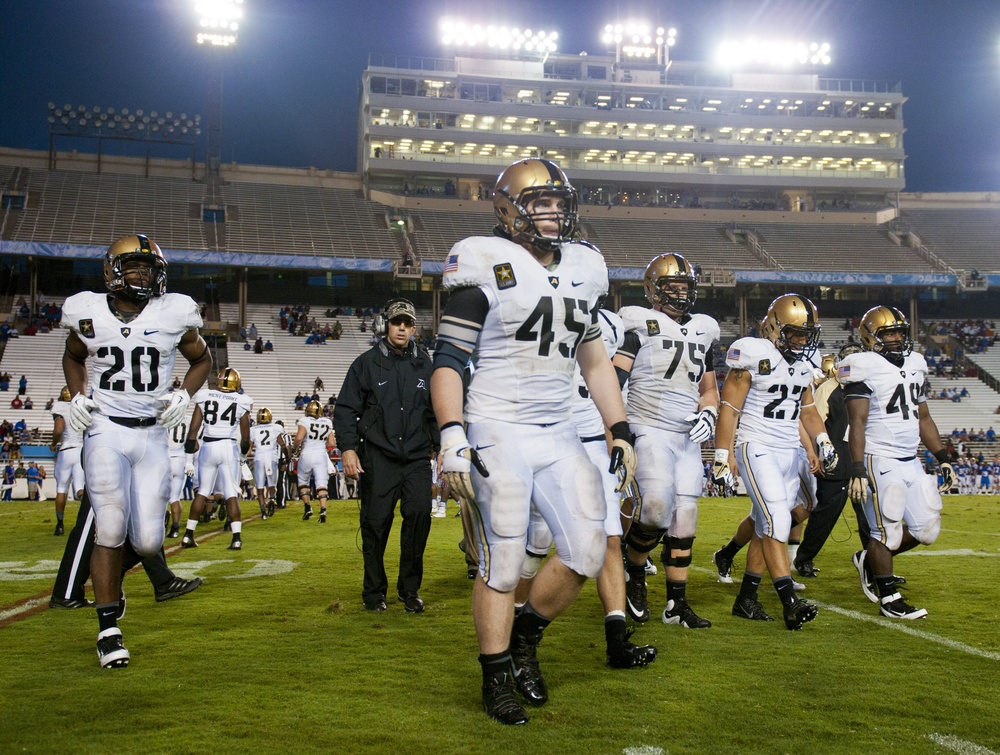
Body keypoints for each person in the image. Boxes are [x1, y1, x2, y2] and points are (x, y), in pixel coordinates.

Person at [430, 158, 637, 725]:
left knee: (588, 550)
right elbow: (448, 360)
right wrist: (452, 434)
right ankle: (495, 675)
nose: (553, 213)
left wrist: (619, 427)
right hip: (498, 426)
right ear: (508, 209)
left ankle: (523, 638)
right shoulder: (481, 259)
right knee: (503, 560)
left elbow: (594, 359)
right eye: (539, 203)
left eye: (558, 203)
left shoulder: (584, 266)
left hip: (560, 429)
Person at [61, 232, 212, 667]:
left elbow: (202, 360)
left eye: (149, 268)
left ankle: (111, 586)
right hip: (105, 429)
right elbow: (73, 356)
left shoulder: (173, 313)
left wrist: (185, 393)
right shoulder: (87, 313)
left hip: (152, 435)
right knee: (109, 525)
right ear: (113, 271)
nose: (143, 274)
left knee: (147, 540)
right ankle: (108, 629)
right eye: (134, 267)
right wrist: (77, 395)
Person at [712, 293, 838, 630]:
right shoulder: (754, 354)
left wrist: (822, 441)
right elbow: (730, 408)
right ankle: (789, 602)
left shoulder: (804, 365)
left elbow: (807, 409)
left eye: (805, 335)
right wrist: (722, 455)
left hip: (787, 450)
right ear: (774, 328)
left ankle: (746, 599)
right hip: (757, 446)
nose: (801, 341)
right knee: (777, 521)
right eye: (795, 333)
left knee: (765, 523)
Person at [612, 252, 720, 630]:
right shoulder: (638, 323)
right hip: (648, 427)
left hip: (687, 436)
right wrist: (616, 432)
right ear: (653, 290)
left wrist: (709, 411)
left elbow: (709, 389)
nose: (679, 293)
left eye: (684, 286)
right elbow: (615, 380)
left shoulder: (704, 330)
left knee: (685, 520)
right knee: (656, 509)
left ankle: (676, 605)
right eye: (671, 286)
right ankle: (635, 568)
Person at [841, 305, 954, 619]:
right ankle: (889, 597)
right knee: (884, 531)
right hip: (879, 457)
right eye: (888, 332)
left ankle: (869, 560)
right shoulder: (862, 365)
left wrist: (942, 457)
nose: (895, 338)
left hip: (911, 459)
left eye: (899, 332)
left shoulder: (916, 363)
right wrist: (858, 467)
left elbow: (924, 416)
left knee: (926, 529)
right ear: (870, 336)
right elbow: (857, 422)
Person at [334, 298, 439, 614]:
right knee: (375, 524)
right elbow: (345, 410)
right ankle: (374, 592)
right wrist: (349, 448)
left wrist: (444, 446)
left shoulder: (427, 365)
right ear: (386, 326)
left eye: (407, 323)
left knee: (419, 516)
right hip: (378, 458)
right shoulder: (365, 364)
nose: (402, 328)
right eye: (397, 323)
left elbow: (436, 412)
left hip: (418, 458)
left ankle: (410, 591)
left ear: (414, 328)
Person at [49, 490, 202, 611]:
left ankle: (163, 580)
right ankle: (66, 592)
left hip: (124, 455)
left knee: (141, 516)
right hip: (105, 457)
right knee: (90, 521)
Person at [792, 347, 864, 577]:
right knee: (825, 514)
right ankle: (803, 558)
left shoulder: (867, 388)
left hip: (861, 460)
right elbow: (813, 423)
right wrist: (817, 454)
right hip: (837, 460)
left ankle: (874, 563)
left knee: (870, 517)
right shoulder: (829, 389)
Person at [180, 367, 252, 551]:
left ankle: (188, 535)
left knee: (203, 491)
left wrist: (189, 460)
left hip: (207, 446)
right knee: (230, 492)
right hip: (227, 447)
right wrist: (243, 457)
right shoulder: (241, 401)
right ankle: (236, 538)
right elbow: (245, 438)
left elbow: (193, 432)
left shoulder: (205, 396)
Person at [50, 386, 85, 535]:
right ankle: (85, 524)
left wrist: (53, 443)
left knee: (61, 488)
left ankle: (60, 525)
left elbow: (58, 430)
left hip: (66, 450)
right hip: (81, 450)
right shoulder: (82, 405)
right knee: (80, 490)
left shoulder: (59, 406)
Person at [293, 400, 335, 522]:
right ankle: (323, 509)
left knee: (303, 481)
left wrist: (294, 448)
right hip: (321, 454)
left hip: (307, 453)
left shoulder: (304, 420)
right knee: (322, 483)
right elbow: (332, 443)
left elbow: (299, 438)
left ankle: (308, 507)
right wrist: (321, 445)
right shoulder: (327, 422)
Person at [250, 407, 284, 518]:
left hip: (259, 457)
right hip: (272, 457)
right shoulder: (275, 428)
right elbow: (282, 444)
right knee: (272, 484)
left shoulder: (253, 430)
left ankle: (263, 512)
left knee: (260, 487)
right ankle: (272, 500)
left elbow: (249, 449)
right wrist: (288, 456)